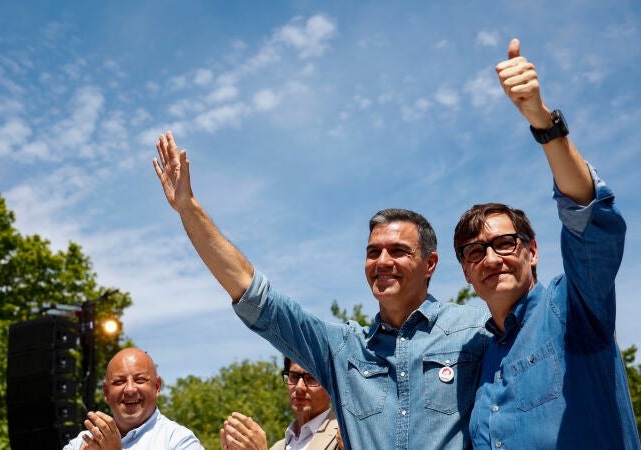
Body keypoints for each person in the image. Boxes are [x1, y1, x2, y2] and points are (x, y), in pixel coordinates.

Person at [153, 133, 490, 448]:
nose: (382, 261)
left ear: (430, 264)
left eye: (398, 251)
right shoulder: (342, 350)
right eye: (373, 252)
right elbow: (255, 296)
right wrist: (189, 208)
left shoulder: (476, 330)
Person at [453, 39, 640, 449]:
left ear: (531, 250)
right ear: (466, 272)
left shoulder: (574, 307)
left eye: (504, 242)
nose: (490, 258)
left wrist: (542, 122)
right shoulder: (481, 360)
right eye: (474, 251)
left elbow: (589, 217)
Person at [63, 348, 204, 450]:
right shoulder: (81, 443)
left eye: (140, 380)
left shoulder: (179, 441)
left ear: (157, 387)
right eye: (119, 382)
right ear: (106, 391)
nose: (130, 389)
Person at [219, 356, 340, 450]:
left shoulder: (347, 436)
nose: (299, 387)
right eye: (294, 376)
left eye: (311, 378)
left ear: (330, 385)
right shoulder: (278, 446)